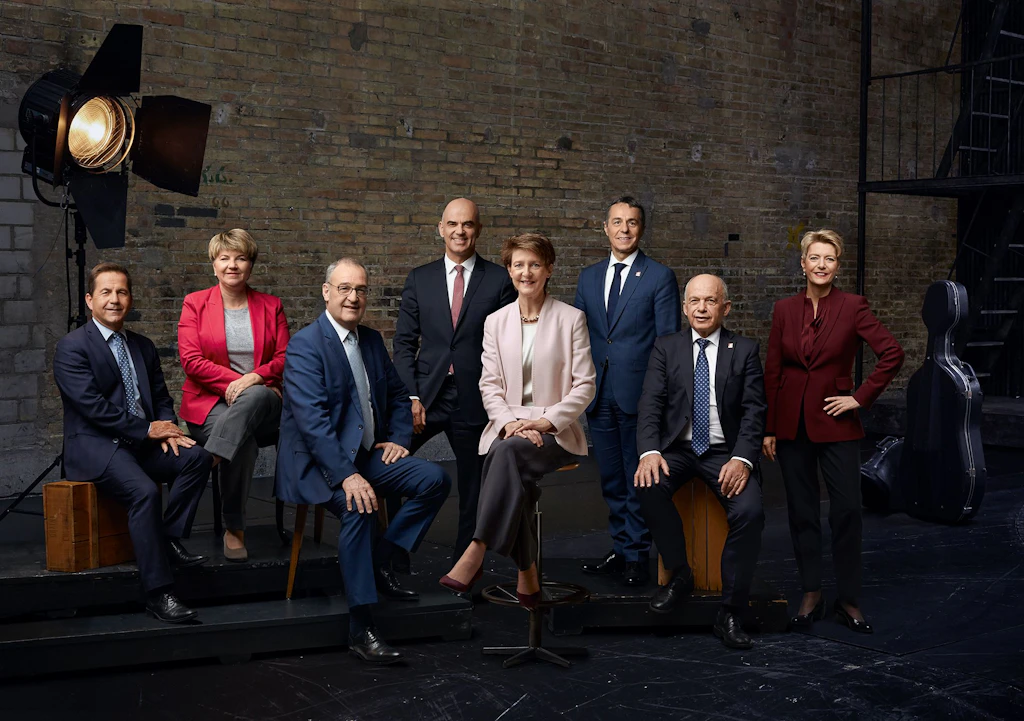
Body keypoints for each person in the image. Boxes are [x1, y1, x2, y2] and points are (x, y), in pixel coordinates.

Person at [275, 258, 451, 664]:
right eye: (344, 288)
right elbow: (313, 424)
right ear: (326, 292)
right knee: (359, 508)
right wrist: (348, 476)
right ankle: (361, 625)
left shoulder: (370, 340)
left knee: (434, 480)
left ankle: (382, 558)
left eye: (361, 290)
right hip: (319, 465)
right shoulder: (305, 345)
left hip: (368, 454)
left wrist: (399, 440)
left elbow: (398, 394)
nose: (353, 297)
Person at [440, 233, 596, 608]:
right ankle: (527, 574)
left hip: (554, 433)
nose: (526, 272)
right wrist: (511, 424)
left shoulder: (571, 319)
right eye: (518, 264)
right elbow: (488, 383)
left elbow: (585, 385)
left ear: (549, 270)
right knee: (515, 469)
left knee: (505, 455)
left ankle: (476, 549)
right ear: (509, 270)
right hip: (508, 429)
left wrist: (543, 424)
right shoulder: (496, 321)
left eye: (535, 264)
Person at [762, 229, 905, 634]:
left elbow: (892, 353)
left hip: (837, 423)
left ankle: (848, 599)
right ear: (803, 264)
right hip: (791, 425)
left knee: (846, 512)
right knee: (801, 512)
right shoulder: (784, 309)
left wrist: (859, 398)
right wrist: (770, 428)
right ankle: (811, 592)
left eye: (830, 258)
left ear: (837, 266)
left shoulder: (853, 306)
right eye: (815, 258)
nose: (822, 265)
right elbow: (773, 370)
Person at [53, 262, 211, 624]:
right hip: (97, 446)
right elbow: (92, 407)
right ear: (90, 299)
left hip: (142, 444)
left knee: (197, 458)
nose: (115, 299)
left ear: (130, 299)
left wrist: (168, 426)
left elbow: (160, 395)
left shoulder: (142, 345)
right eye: (106, 292)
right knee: (145, 492)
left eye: (122, 292)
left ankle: (168, 538)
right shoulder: (72, 347)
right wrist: (147, 431)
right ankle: (158, 593)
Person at [634, 274, 766, 649]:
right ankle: (680, 574)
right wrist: (649, 451)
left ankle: (730, 611)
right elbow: (650, 405)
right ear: (685, 307)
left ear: (725, 308)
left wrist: (742, 458)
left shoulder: (744, 349)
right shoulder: (666, 347)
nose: (702, 308)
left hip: (724, 452)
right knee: (647, 484)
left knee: (751, 511)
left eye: (710, 301)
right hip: (677, 448)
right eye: (694, 301)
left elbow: (755, 410)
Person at [393, 198, 516, 569]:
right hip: (425, 398)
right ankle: (391, 557)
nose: (460, 231)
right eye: (452, 224)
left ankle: (465, 570)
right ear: (440, 229)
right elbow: (403, 343)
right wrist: (411, 395)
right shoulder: (420, 277)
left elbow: (509, 346)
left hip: (475, 398)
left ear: (478, 229)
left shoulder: (498, 280)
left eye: (468, 224)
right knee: (390, 465)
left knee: (473, 490)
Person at [574, 196, 681, 586]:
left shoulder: (658, 276)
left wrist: (659, 397)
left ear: (641, 229)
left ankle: (637, 554)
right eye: (617, 222)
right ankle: (621, 548)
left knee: (640, 477)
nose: (624, 229)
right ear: (605, 228)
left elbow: (668, 343)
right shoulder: (588, 277)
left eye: (632, 222)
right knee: (611, 479)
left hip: (640, 394)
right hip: (598, 393)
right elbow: (579, 338)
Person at [178, 229, 290, 561]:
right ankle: (235, 529)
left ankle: (206, 461)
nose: (232, 265)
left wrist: (255, 377)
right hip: (209, 405)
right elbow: (191, 360)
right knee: (243, 441)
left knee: (256, 397)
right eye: (224, 258)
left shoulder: (271, 306)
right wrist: (235, 383)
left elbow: (285, 358)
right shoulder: (195, 304)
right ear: (214, 265)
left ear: (250, 265)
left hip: (265, 401)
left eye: (240, 258)